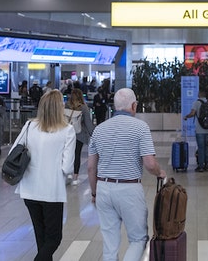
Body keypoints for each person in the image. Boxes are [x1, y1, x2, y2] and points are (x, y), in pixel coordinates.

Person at [87, 88, 166, 261]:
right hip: (129, 188)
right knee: (138, 239)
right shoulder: (140, 127)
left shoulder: (99, 130)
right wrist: (160, 172)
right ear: (133, 105)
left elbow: (91, 168)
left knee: (109, 243)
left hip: (103, 189)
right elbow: (150, 164)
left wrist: (94, 192)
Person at [14, 89, 75, 261]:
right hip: (51, 191)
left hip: (29, 189)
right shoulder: (67, 130)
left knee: (41, 237)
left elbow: (14, 151)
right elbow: (68, 167)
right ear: (59, 108)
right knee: (54, 238)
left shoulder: (29, 126)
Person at [65, 87, 94, 186]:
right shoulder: (84, 108)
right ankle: (75, 177)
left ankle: (68, 173)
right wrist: (93, 135)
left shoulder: (66, 106)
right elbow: (88, 124)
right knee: (77, 154)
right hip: (79, 135)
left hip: (67, 134)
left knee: (68, 153)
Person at [184, 86, 208, 172]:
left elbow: (193, 113)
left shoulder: (196, 103)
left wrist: (186, 116)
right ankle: (207, 163)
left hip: (199, 129)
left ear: (199, 94)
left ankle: (201, 166)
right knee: (206, 146)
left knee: (201, 147)